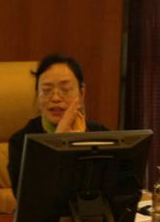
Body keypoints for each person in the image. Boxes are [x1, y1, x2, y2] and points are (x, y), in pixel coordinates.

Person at [8, 53, 107, 196]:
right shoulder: (21, 142)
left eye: (65, 90)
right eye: (46, 91)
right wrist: (58, 143)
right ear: (37, 96)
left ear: (82, 93)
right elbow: (28, 198)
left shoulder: (102, 136)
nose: (55, 98)